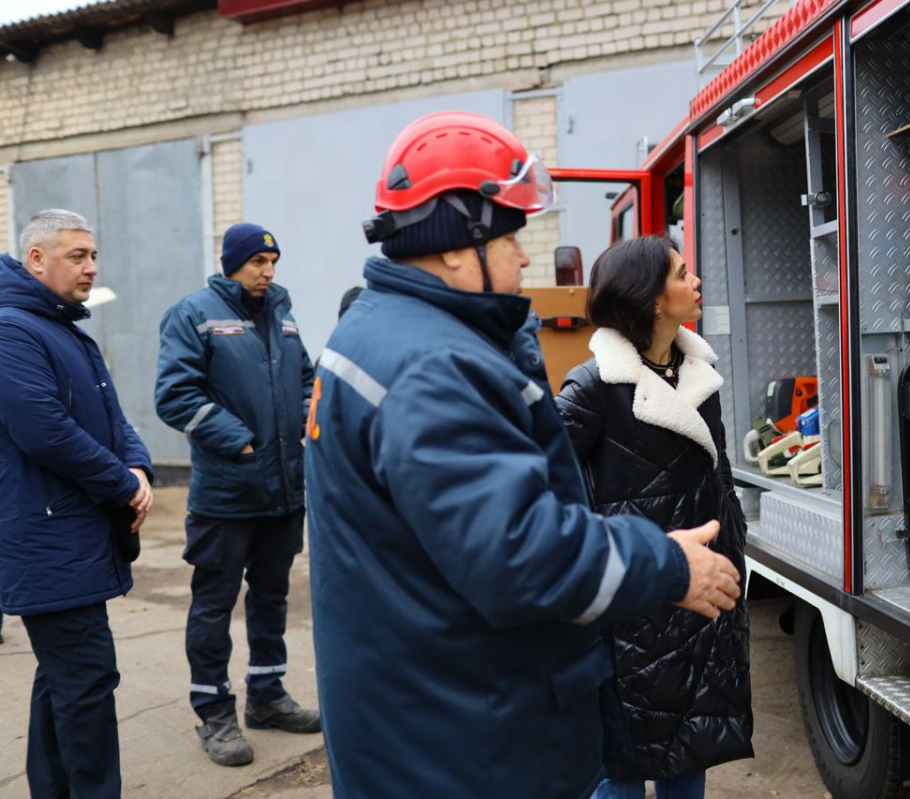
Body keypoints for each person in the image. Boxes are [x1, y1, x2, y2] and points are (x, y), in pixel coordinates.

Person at [304, 110, 742, 798]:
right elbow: (518, 555)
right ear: (455, 245)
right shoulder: (432, 367)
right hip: (465, 748)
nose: (527, 256)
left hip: (424, 718)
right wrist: (665, 561)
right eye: (510, 237)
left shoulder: (381, 332)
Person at [557, 236, 754, 799]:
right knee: (621, 772)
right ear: (649, 299)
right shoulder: (594, 385)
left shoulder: (698, 374)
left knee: (691, 752)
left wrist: (733, 546)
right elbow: (550, 490)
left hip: (703, 592)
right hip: (635, 602)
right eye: (682, 273)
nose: (695, 282)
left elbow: (718, 479)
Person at [0, 209, 154, 799]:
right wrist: (122, 485)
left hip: (73, 536)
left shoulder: (62, 328)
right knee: (86, 682)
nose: (92, 267)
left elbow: (113, 417)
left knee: (62, 680)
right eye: (78, 256)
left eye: (94, 256)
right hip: (49, 540)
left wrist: (138, 467)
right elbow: (45, 431)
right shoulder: (14, 330)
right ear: (36, 258)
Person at [155, 223, 319, 767]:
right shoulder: (195, 314)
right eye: (256, 262)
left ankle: (267, 696)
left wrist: (302, 424)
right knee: (213, 605)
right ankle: (213, 710)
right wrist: (241, 443)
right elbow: (176, 395)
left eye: (273, 262)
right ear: (231, 263)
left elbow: (304, 379)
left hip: (282, 491)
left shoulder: (283, 313)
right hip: (227, 493)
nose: (267, 272)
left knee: (272, 599)